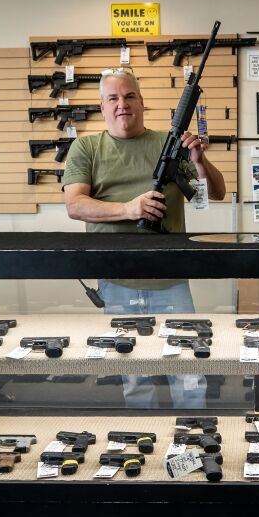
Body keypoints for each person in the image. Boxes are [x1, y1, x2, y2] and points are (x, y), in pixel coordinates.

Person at [62, 67, 226, 408]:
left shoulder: (169, 145)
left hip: (171, 280)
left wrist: (200, 161)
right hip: (116, 278)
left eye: (130, 96)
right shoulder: (86, 148)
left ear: (141, 102)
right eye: (113, 98)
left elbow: (215, 193)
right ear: (102, 107)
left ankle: (193, 443)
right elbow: (75, 206)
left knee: (188, 372)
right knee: (133, 374)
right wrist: (129, 209)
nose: (123, 104)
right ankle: (143, 443)